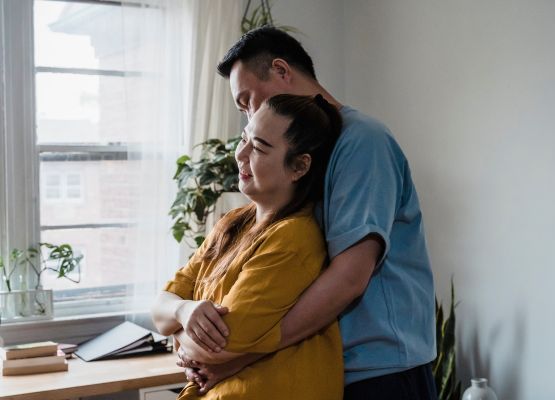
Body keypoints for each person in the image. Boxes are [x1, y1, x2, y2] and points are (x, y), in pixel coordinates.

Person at [179, 27, 437, 400]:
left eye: (248, 100)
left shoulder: (361, 140)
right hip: (325, 369)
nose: (251, 117)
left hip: (379, 371)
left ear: (282, 71)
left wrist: (240, 357)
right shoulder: (292, 164)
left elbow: (350, 277)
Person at [152, 94, 344, 399]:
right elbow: (159, 309)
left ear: (299, 166)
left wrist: (177, 327)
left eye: (259, 148)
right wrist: (184, 310)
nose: (241, 154)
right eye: (244, 139)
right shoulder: (233, 222)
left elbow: (217, 344)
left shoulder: (293, 237)